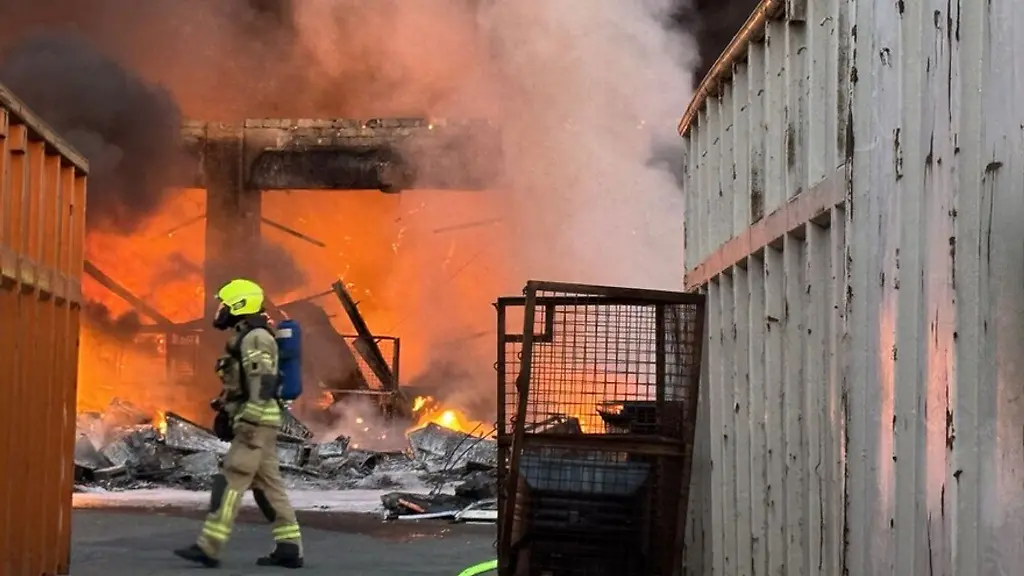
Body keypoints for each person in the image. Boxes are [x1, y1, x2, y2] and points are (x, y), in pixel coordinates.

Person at [174, 278, 304, 569]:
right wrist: (225, 409)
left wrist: (247, 420)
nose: (221, 309)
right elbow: (244, 384)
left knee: (231, 479)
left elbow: (263, 381)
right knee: (269, 486)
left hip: (255, 423)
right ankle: (289, 547)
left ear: (239, 305)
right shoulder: (249, 336)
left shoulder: (256, 338)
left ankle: (209, 546)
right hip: (260, 420)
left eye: (225, 304)